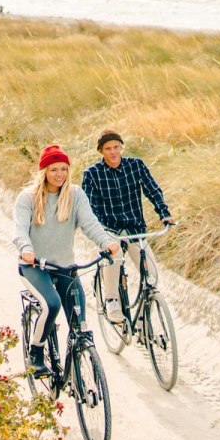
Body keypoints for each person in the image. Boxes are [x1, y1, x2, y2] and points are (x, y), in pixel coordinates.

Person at [14, 144, 121, 374]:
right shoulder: (28, 198)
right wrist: (25, 248)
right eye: (54, 169)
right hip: (35, 267)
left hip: (65, 266)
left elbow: (90, 224)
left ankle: (76, 371)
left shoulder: (75, 195)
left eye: (63, 169)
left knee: (79, 323)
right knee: (51, 304)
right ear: (44, 171)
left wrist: (106, 242)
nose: (60, 174)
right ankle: (36, 352)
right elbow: (20, 231)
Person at [81, 130, 176, 322]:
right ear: (101, 151)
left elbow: (152, 190)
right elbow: (91, 207)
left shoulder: (136, 166)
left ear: (121, 147)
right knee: (114, 259)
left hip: (135, 229)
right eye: (108, 148)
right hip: (109, 230)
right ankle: (111, 300)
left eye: (116, 147)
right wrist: (102, 233)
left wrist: (164, 214)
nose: (113, 152)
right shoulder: (92, 174)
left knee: (151, 274)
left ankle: (142, 318)